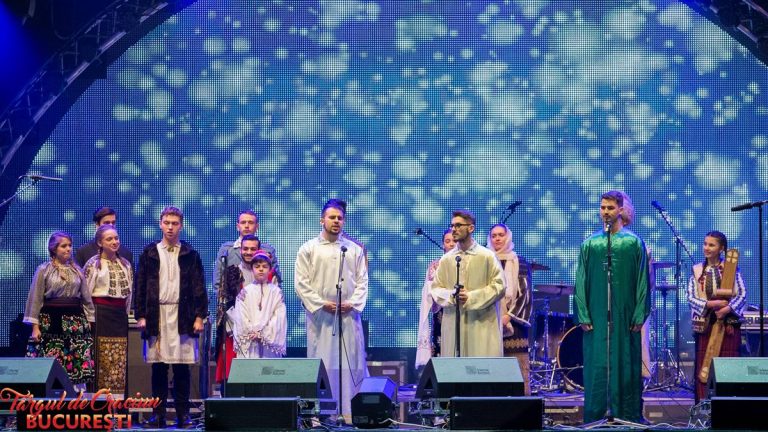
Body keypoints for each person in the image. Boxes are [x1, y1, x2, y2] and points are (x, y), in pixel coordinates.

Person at [574, 190, 650, 423]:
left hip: (625, 316)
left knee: (625, 364)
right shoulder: (591, 244)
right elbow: (581, 281)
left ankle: (626, 415)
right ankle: (596, 416)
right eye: (603, 208)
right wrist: (583, 313)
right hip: (597, 316)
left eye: (610, 208)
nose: (605, 212)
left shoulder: (633, 243)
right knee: (597, 366)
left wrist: (639, 313)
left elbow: (643, 281)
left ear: (620, 210)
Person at [294, 199, 368, 421]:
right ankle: (322, 415)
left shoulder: (354, 249)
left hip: (348, 316)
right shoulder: (308, 249)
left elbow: (362, 282)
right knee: (323, 363)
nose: (336, 221)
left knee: (350, 363)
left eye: (340, 218)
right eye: (332, 217)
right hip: (321, 318)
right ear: (322, 220)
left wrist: (352, 303)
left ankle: (350, 413)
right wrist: (320, 303)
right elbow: (301, 283)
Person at [134, 207, 207, 429]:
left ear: (181, 226)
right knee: (158, 368)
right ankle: (158, 415)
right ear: (160, 224)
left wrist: (199, 317)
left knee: (181, 369)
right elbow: (140, 285)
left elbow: (199, 287)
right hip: (157, 315)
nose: (170, 227)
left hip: (182, 315)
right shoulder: (149, 253)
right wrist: (141, 315)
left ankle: (183, 416)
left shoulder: (190, 254)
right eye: (167, 223)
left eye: (174, 223)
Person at [24, 231, 95, 389]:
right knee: (52, 358)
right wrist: (35, 327)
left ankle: (76, 394)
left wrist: (89, 320)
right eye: (63, 246)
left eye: (70, 245)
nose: (68, 249)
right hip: (51, 321)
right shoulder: (44, 270)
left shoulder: (77, 270)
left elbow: (86, 297)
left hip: (75, 322)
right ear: (54, 249)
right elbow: (36, 298)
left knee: (75, 359)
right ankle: (51, 393)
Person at [430, 210, 505, 357]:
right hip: (453, 324)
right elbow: (436, 288)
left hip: (481, 324)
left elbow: (499, 286)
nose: (454, 229)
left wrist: (472, 297)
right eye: (452, 226)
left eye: (458, 225)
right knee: (454, 368)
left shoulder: (487, 256)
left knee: (481, 366)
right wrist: (452, 296)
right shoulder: (446, 259)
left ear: (471, 228)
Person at [686, 230, 746, 402]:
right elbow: (690, 297)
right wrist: (710, 305)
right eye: (705, 244)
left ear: (721, 248)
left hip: (727, 325)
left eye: (711, 245)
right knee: (704, 369)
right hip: (706, 325)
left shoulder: (731, 269)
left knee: (728, 366)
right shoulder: (697, 270)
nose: (706, 248)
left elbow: (742, 294)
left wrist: (727, 309)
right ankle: (704, 408)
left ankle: (729, 407)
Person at [83, 224, 132, 396]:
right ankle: (99, 401)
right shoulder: (93, 264)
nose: (114, 242)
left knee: (118, 359)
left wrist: (126, 314)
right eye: (109, 239)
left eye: (116, 238)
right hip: (101, 314)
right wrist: (89, 317)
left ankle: (117, 401)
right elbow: (86, 294)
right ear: (100, 243)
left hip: (119, 316)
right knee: (102, 358)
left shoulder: (125, 264)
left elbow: (129, 294)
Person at [488, 223, 532, 395]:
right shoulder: (485, 260)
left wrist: (508, 316)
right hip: (489, 321)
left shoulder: (519, 261)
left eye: (501, 235)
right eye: (494, 236)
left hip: (515, 325)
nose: (497, 239)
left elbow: (525, 293)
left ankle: (520, 405)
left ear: (508, 237)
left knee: (516, 369)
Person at [214, 234, 262, 383]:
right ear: (240, 250)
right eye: (245, 249)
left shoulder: (265, 274)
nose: (249, 252)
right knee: (232, 376)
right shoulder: (231, 273)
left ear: (259, 250)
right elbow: (224, 303)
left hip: (259, 333)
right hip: (235, 331)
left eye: (253, 249)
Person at [227, 251, 287, 358]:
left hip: (268, 345)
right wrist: (252, 331)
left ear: (269, 269)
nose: (261, 269)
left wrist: (263, 334)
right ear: (252, 269)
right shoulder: (245, 292)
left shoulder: (276, 292)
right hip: (250, 343)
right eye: (257, 266)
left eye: (264, 266)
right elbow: (241, 316)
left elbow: (279, 317)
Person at [214, 210, 281, 292]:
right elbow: (218, 282)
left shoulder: (268, 250)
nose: (246, 226)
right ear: (237, 226)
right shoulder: (226, 250)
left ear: (257, 226)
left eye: (250, 222)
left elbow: (276, 282)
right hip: (233, 299)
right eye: (243, 222)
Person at [416, 230, 455, 369]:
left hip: (462, 311)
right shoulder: (435, 265)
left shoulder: (467, 263)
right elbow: (430, 289)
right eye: (447, 241)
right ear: (443, 244)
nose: (451, 244)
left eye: (454, 240)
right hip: (442, 312)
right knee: (441, 345)